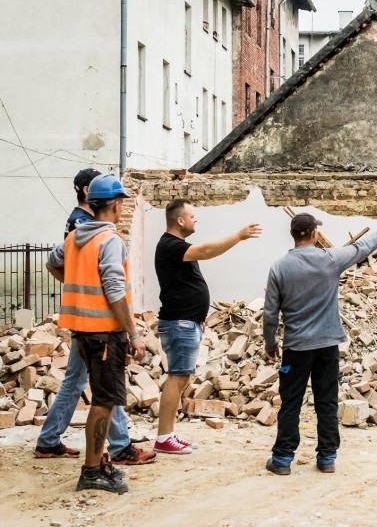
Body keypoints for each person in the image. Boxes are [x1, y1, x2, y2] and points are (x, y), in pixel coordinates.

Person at [36, 169, 156, 467]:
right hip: (104, 330)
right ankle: (113, 452)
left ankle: (56, 442)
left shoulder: (76, 234)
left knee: (92, 391)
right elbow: (114, 289)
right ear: (115, 205)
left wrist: (76, 280)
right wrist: (134, 333)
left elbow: (53, 262)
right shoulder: (109, 240)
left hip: (81, 328)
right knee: (105, 398)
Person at [263, 213, 377, 476]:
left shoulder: (279, 267)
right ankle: (327, 458)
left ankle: (283, 459)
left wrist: (270, 343)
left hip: (296, 348)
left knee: (291, 403)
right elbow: (361, 248)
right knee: (327, 401)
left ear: (293, 234)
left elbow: (269, 313)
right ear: (314, 234)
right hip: (327, 346)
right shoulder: (331, 260)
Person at [154, 199, 261, 454]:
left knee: (181, 378)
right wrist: (238, 236)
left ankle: (168, 434)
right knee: (176, 378)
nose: (195, 220)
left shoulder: (174, 246)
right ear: (180, 220)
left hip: (185, 322)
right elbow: (204, 251)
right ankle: (163, 437)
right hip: (179, 322)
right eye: (192, 216)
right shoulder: (170, 245)